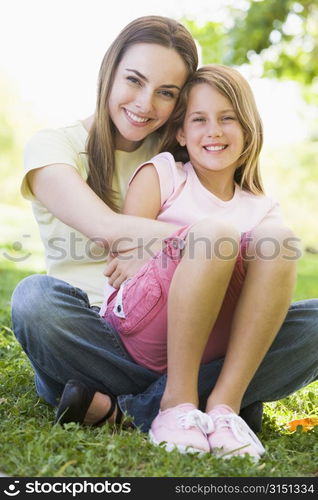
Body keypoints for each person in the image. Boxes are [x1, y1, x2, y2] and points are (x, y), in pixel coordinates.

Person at [11, 16, 317, 453]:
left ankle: (123, 407)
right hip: (95, 332)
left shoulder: (182, 148)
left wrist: (232, 242)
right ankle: (200, 401)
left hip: (196, 328)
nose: (145, 103)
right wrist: (215, 239)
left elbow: (237, 216)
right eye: (134, 80)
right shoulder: (55, 148)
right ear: (109, 71)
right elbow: (108, 229)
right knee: (35, 301)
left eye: (167, 93)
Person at [96, 64, 300, 460]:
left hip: (215, 337)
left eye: (228, 119)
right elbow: (124, 257)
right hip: (142, 328)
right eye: (200, 120)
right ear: (181, 133)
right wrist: (193, 242)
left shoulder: (262, 209)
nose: (215, 131)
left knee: (281, 241)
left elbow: (266, 284)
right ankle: (176, 403)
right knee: (217, 234)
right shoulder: (165, 175)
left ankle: (225, 407)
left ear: (248, 129)